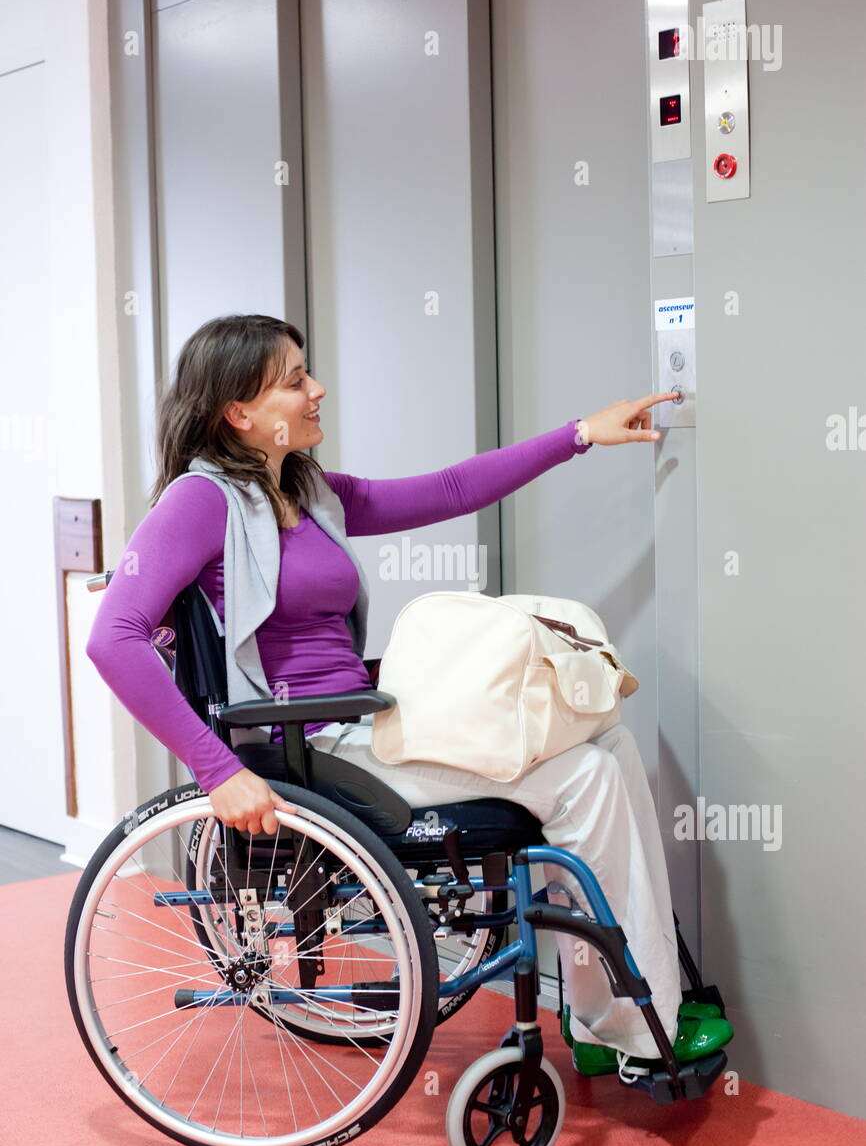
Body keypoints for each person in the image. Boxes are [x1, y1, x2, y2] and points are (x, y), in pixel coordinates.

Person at [86, 313, 732, 1077]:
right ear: (239, 411)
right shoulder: (201, 502)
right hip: (315, 749)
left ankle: (612, 1011)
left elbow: (453, 489)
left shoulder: (306, 492)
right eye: (295, 380)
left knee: (609, 743)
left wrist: (581, 434)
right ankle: (632, 1026)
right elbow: (113, 639)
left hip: (366, 729)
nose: (317, 388)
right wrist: (217, 771)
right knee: (585, 775)